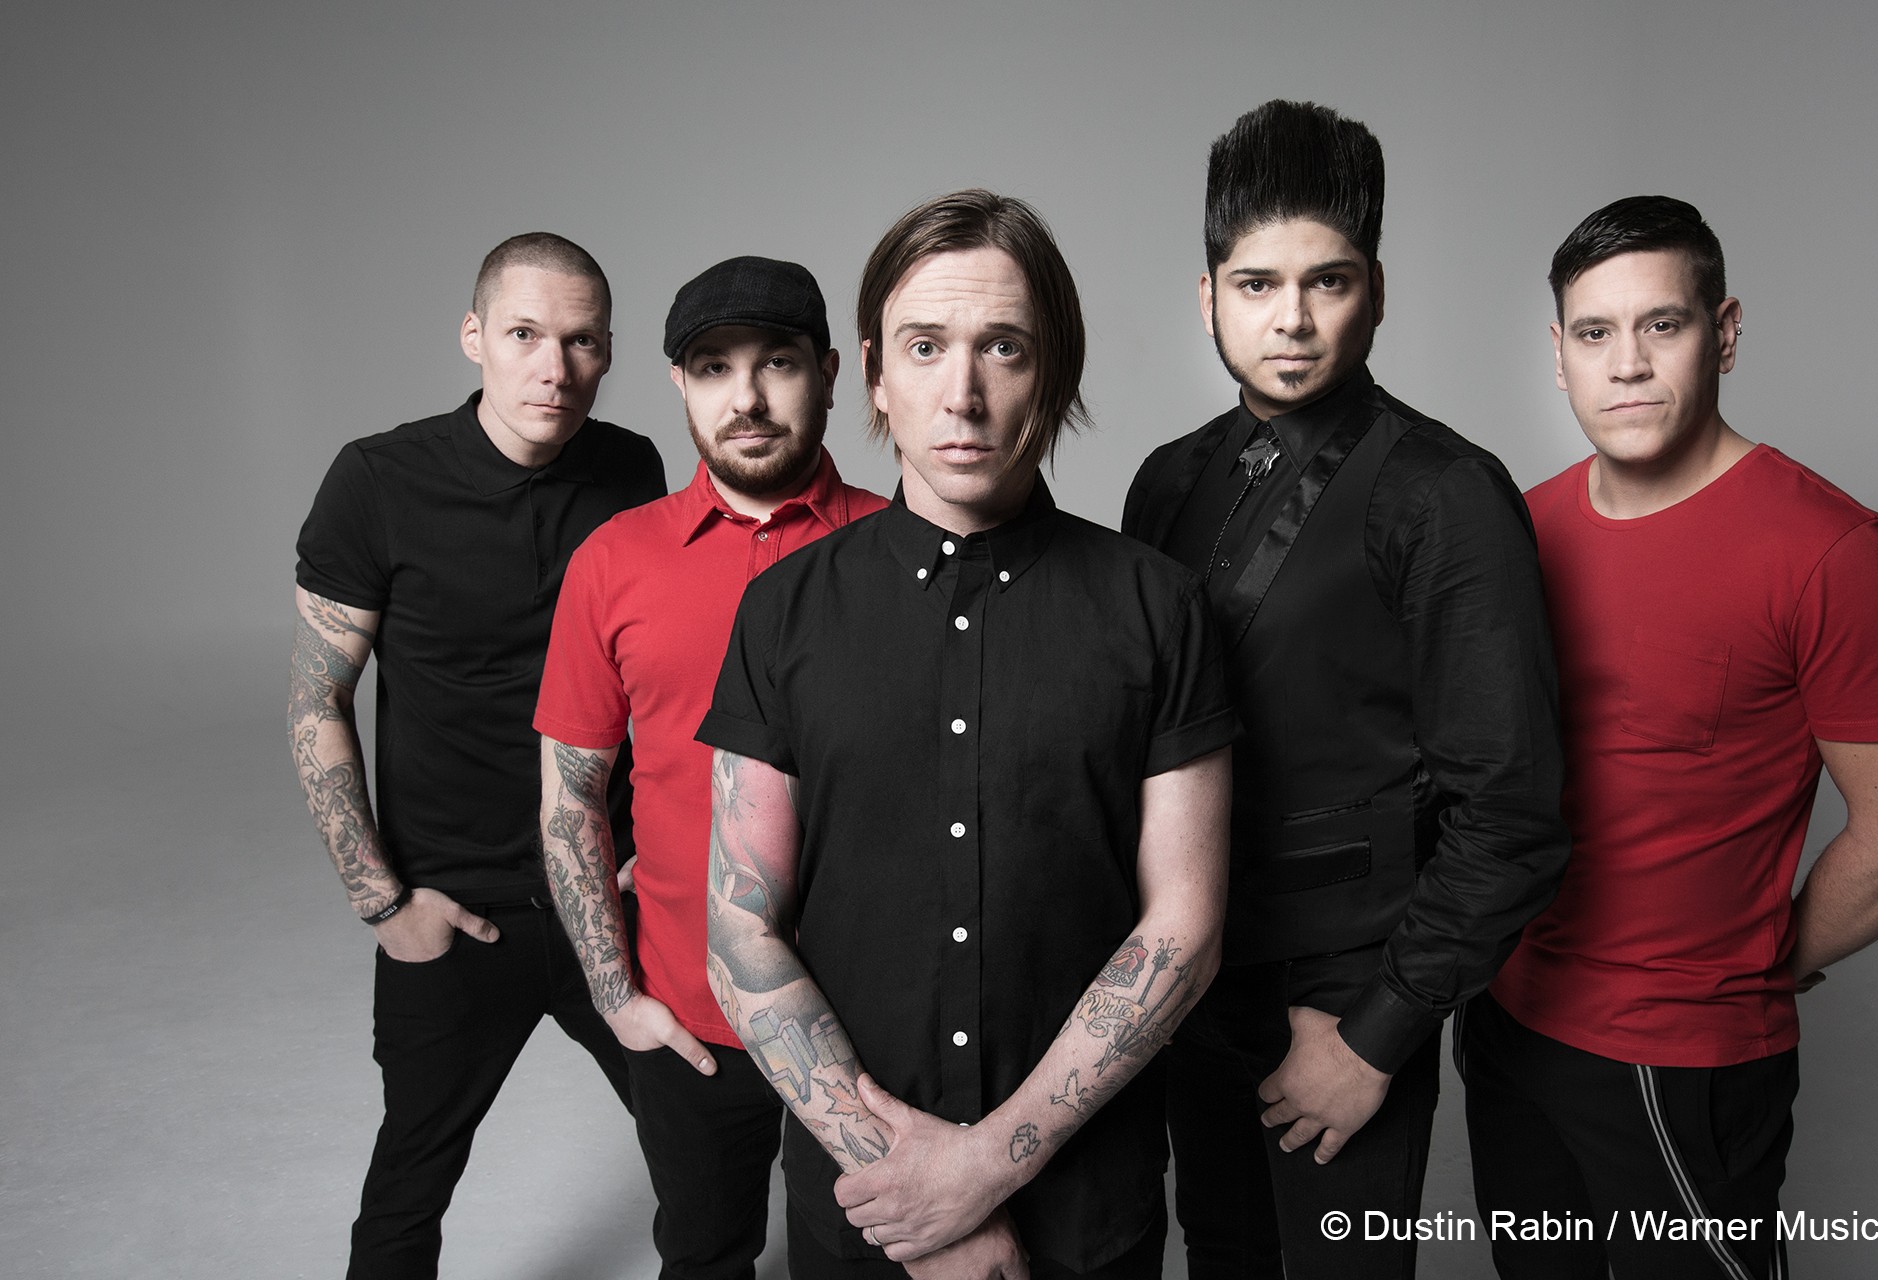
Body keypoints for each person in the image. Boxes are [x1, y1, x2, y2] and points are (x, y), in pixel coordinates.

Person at [699, 189, 1237, 1279]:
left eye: (1004, 347)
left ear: (1056, 371)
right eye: (925, 346)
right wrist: (914, 1193)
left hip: (1087, 1215)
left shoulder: (1159, 606)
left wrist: (982, 1167)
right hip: (865, 1220)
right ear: (873, 373)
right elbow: (740, 928)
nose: (964, 393)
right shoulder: (783, 612)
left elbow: (1184, 929)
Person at [1121, 99, 1570, 1278]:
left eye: (1328, 281)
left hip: (1349, 990)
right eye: (1257, 284)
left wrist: (1378, 1034)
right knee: (1218, 1253)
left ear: (1377, 291)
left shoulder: (1447, 493)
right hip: (1188, 974)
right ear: (1207, 296)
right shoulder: (1165, 482)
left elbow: (1512, 813)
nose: (1293, 319)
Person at [1459, 194, 1878, 1280]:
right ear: (1560, 355)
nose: (1626, 363)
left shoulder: (1833, 552)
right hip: (1507, 1021)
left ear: (1725, 331)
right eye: (1595, 332)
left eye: (1661, 324)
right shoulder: (1520, 527)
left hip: (1678, 1059)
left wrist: (1761, 959)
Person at [288, 232, 665, 1279]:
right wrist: (383, 904)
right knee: (409, 1188)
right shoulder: (377, 480)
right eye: (525, 335)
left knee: (705, 1156)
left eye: (583, 341)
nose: (556, 368)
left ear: (608, 351)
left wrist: (662, 852)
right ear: (474, 337)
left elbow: (653, 677)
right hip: (455, 911)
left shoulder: (630, 468)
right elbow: (317, 698)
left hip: (608, 899)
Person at [535, 255, 888, 1279]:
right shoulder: (615, 559)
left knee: (866, 1260)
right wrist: (616, 995)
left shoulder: (901, 544)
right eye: (713, 367)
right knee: (702, 1254)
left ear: (830, 373)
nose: (747, 397)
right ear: (680, 385)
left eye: (777, 362)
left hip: (870, 1019)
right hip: (691, 1011)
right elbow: (571, 795)